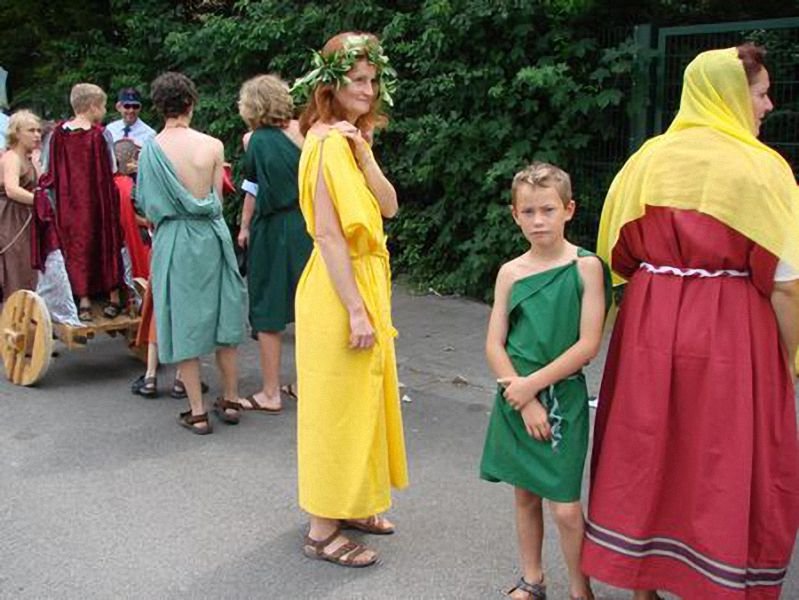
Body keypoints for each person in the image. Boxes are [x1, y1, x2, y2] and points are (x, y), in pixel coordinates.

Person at [582, 45, 799, 600]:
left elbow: (615, 251)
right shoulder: (762, 168)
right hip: (732, 329)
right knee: (720, 454)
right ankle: (716, 578)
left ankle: (642, 583)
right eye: (760, 93)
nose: (768, 105)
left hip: (650, 323)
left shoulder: (647, 160)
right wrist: (789, 357)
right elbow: (786, 283)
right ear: (730, 95)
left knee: (648, 444)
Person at [293, 32, 408, 567]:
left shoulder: (350, 142)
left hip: (363, 283)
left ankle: (353, 503)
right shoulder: (321, 144)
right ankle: (322, 529)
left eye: (372, 79)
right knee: (335, 408)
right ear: (330, 86)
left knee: (364, 401)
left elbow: (389, 207)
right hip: (339, 293)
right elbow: (328, 235)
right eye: (357, 80)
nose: (368, 89)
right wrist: (357, 310)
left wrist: (365, 154)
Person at [479, 163, 609, 600]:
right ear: (515, 215)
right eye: (529, 211)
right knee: (525, 496)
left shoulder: (586, 267)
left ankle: (580, 590)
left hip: (560, 397)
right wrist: (522, 396)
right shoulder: (510, 272)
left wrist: (532, 388)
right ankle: (532, 580)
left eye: (548, 210)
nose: (539, 221)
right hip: (515, 396)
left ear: (568, 210)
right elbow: (494, 344)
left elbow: (588, 344)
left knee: (567, 508)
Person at [136, 71, 247, 434]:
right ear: (190, 103)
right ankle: (231, 399)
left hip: (173, 238)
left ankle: (197, 412)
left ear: (159, 106)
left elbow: (147, 205)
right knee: (223, 315)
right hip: (211, 235)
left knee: (182, 320)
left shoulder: (150, 150)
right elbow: (216, 198)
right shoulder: (212, 145)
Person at [236, 74, 311, 413]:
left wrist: (244, 227)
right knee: (309, 304)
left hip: (272, 228)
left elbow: (253, 188)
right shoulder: (307, 132)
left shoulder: (253, 140)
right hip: (308, 226)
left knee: (268, 307)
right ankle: (305, 384)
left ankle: (270, 393)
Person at [48, 83, 124, 321]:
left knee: (77, 244)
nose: (104, 111)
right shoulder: (100, 134)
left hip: (69, 202)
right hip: (99, 199)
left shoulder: (58, 135)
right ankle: (113, 296)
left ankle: (84, 300)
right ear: (92, 106)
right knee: (106, 240)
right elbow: (112, 167)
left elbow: (50, 170)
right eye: (103, 106)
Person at [0, 110, 42, 300]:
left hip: (24, 218)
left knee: (26, 268)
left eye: (39, 131)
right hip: (9, 219)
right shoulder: (12, 158)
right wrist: (40, 201)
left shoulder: (28, 158)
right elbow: (12, 189)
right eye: (31, 131)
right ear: (17, 133)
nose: (37, 135)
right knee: (13, 268)